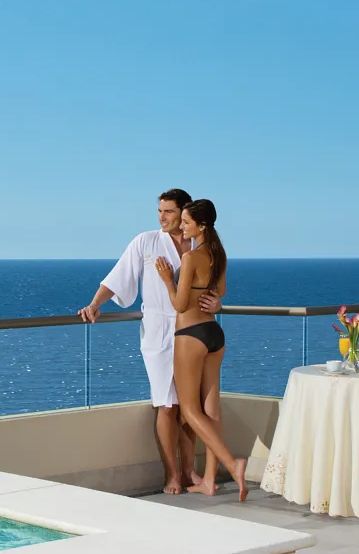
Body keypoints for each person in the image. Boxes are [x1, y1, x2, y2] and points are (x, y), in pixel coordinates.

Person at [78, 189, 220, 494]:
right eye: (160, 211)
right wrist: (94, 304)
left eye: (169, 212)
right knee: (166, 405)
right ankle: (171, 474)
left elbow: (213, 287)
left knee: (187, 405)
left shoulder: (199, 246)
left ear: (185, 213)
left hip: (192, 330)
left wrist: (216, 303)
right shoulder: (145, 242)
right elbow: (117, 277)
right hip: (157, 331)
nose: (162, 218)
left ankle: (188, 471)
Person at [153, 198, 248, 500]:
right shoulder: (219, 254)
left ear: (201, 225)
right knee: (211, 411)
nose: (181, 227)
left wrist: (169, 280)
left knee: (191, 411)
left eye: (186, 222)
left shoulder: (192, 257)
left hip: (190, 334)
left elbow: (180, 304)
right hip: (214, 334)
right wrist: (213, 302)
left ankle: (233, 464)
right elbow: (220, 292)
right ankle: (208, 480)